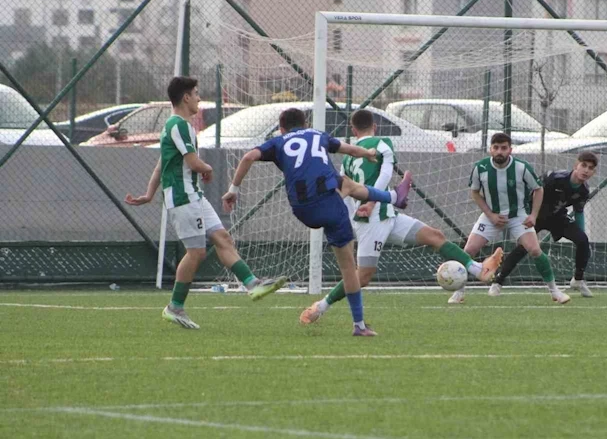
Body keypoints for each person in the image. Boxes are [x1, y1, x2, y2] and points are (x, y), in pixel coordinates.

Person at [222, 107, 414, 336]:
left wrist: (233, 190)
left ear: (281, 129)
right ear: (305, 124)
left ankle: (393, 197)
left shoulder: (278, 142)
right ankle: (359, 326)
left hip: (302, 210)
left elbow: (247, 157)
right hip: (329, 205)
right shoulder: (317, 135)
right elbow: (350, 149)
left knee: (345, 183)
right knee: (348, 268)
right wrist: (368, 153)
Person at [299, 110, 503, 323]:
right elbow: (386, 174)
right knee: (363, 275)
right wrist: (370, 203)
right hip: (373, 220)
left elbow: (345, 190)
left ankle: (478, 270)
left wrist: (352, 218)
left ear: (353, 130)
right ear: (375, 126)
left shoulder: (348, 158)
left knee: (435, 236)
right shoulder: (382, 143)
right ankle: (320, 307)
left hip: (385, 215)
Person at [125, 76, 287, 330]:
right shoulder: (178, 125)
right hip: (183, 196)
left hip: (193, 195)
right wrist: (207, 167)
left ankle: (252, 284)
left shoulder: (177, 126)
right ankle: (174, 307)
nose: (199, 98)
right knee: (196, 252)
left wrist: (149, 194)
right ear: (186, 97)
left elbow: (161, 165)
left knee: (223, 238)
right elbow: (192, 163)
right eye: (196, 93)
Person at [449, 133, 571, 305]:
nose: (500, 151)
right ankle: (459, 292)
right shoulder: (480, 168)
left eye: (504, 148)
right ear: (490, 149)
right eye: (496, 147)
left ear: (510, 150)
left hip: (518, 216)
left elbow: (538, 189)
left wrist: (533, 215)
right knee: (468, 251)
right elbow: (475, 193)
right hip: (491, 216)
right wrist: (490, 215)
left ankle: (555, 291)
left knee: (534, 250)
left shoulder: (522, 167)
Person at [489, 151, 599, 298]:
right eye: (583, 165)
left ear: (593, 172)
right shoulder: (554, 178)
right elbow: (532, 192)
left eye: (590, 168)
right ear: (575, 166)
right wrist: (526, 215)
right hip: (535, 215)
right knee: (523, 248)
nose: (586, 170)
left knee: (583, 241)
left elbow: (579, 212)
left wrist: (582, 235)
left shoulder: (583, 190)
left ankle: (578, 280)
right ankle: (498, 282)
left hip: (557, 217)